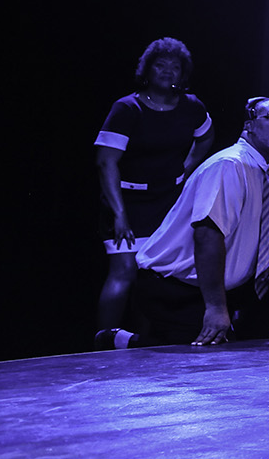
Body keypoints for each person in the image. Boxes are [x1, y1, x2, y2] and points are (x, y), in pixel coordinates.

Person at [130, 97, 269, 346]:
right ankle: (123, 341)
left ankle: (250, 340)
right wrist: (216, 308)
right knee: (203, 357)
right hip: (177, 287)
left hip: (232, 286)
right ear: (249, 125)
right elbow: (207, 235)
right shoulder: (229, 165)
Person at [92, 37, 215, 342]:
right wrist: (120, 215)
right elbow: (106, 162)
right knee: (124, 272)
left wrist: (185, 169)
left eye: (175, 67)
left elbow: (206, 137)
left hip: (167, 201)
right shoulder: (127, 108)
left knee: (155, 277)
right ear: (147, 69)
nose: (168, 71)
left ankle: (142, 346)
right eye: (161, 65)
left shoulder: (191, 106)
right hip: (126, 201)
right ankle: (101, 344)